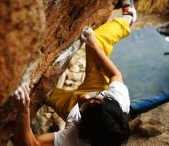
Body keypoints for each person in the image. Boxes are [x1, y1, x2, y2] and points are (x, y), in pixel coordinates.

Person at [14, 1, 137, 146]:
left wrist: (23, 112)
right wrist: (94, 46)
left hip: (72, 107)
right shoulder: (117, 102)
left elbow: (34, 144)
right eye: (96, 100)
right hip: (97, 87)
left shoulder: (73, 139)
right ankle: (129, 17)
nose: (83, 96)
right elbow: (116, 75)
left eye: (85, 106)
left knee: (37, 92)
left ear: (82, 129)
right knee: (98, 38)